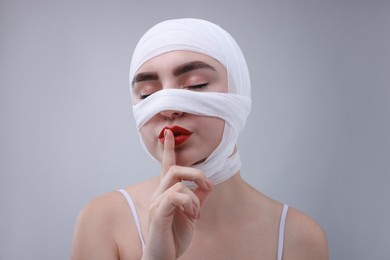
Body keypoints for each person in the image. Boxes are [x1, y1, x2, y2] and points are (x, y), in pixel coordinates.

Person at [71, 18, 328, 260]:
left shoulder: (299, 237)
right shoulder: (103, 221)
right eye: (147, 94)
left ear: (239, 92)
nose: (168, 107)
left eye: (196, 85)